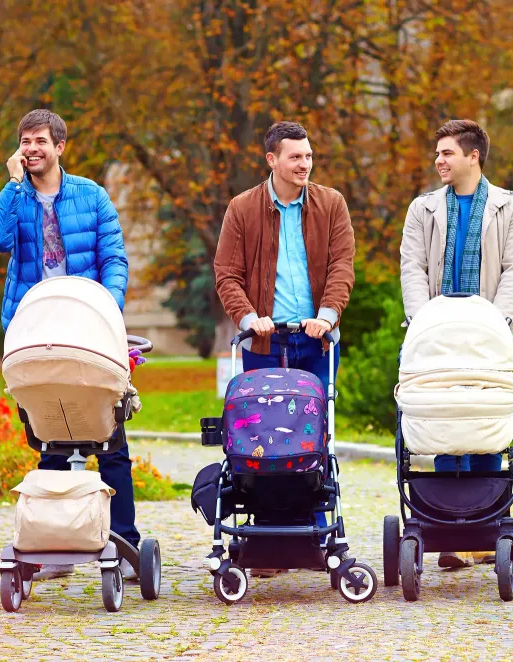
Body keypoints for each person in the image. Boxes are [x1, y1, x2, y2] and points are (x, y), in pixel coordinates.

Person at [0, 109, 141, 581]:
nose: (32, 149)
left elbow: (113, 257)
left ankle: (125, 540)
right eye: (25, 142)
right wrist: (13, 187)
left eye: (40, 142)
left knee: (110, 442)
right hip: (36, 332)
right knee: (50, 441)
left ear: (59, 147)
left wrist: (105, 310)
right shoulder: (17, 197)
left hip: (89, 333)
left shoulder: (91, 197)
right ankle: (55, 545)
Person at [213, 121, 356, 577]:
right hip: (265, 340)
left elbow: (342, 266)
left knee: (315, 436)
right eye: (296, 157)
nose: (305, 164)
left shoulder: (331, 205)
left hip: (314, 340)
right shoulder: (242, 209)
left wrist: (329, 315)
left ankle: (316, 530)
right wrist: (249, 318)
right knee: (262, 440)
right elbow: (227, 274)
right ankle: (265, 536)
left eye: (309, 156)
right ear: (272, 160)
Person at [399, 119, 513, 569]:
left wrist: (491, 324)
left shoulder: (511, 208)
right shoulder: (423, 210)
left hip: (487, 343)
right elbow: (412, 268)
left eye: (447, 153)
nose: (439, 160)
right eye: (437, 153)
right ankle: (447, 527)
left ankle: (485, 525)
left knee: (486, 429)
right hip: (436, 343)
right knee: (443, 427)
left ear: (473, 156)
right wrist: (423, 323)